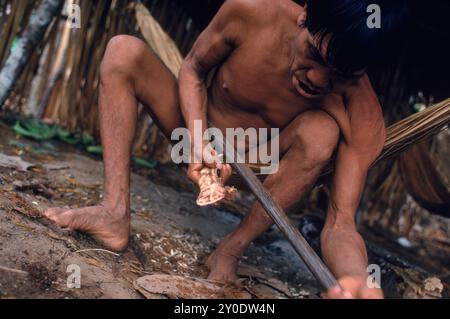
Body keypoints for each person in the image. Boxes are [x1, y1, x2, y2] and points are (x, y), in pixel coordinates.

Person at [44, 0, 408, 298]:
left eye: (340, 77)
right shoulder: (250, 13)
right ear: (306, 14)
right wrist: (199, 137)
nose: (317, 79)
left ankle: (230, 250)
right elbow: (192, 70)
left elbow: (341, 224)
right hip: (193, 130)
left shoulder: (360, 116)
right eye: (314, 54)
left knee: (321, 132)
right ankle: (113, 212)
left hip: (264, 162)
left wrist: (358, 281)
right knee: (123, 50)